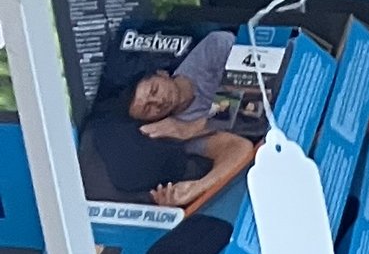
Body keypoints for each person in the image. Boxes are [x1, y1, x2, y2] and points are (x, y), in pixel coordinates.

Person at [77, 31, 258, 213]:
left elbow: (254, 79)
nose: (158, 102)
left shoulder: (210, 51)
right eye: (148, 109)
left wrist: (198, 126)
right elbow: (238, 148)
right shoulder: (173, 133)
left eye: (154, 90)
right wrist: (193, 190)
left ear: (162, 74)